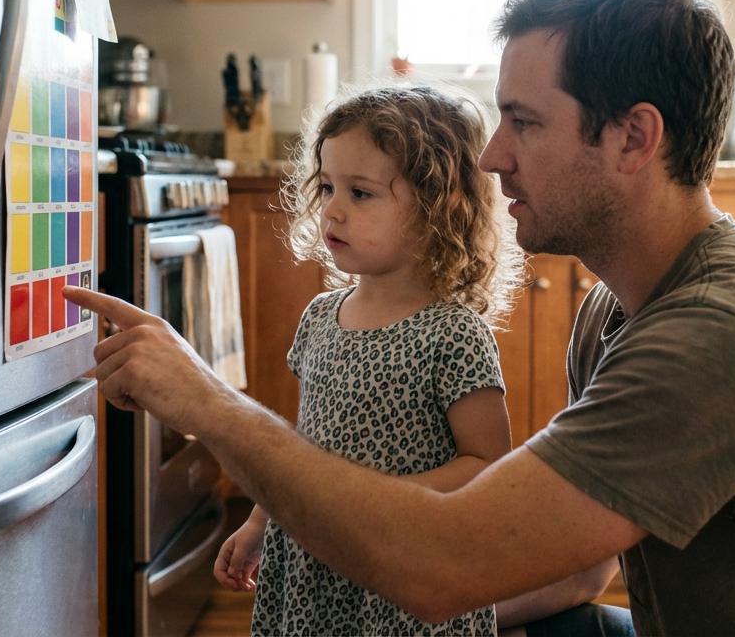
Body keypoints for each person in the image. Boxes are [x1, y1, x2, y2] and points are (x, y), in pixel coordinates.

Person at [67, 0, 735, 636]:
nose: (493, 157)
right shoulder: (616, 306)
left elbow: (443, 563)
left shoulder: (721, 337)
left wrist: (211, 406)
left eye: (525, 122)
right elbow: (581, 566)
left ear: (634, 137)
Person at [209, 84, 524, 635]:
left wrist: (374, 503)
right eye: (328, 186)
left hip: (400, 571)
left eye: (361, 193)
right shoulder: (320, 316)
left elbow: (486, 466)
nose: (331, 209)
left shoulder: (453, 333)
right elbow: (305, 442)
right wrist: (262, 518)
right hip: (314, 561)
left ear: (437, 205)